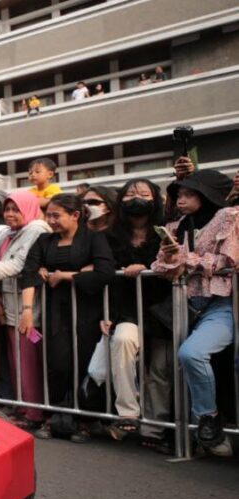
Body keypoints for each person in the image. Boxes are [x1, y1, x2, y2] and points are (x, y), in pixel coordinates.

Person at [151, 169, 236, 454]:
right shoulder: (176, 227)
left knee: (192, 353)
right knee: (181, 366)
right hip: (186, 306)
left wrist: (186, 259)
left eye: (188, 194)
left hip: (221, 304)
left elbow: (228, 261)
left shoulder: (229, 217)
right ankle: (203, 429)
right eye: (178, 195)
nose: (181, 201)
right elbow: (160, 268)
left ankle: (207, 418)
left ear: (206, 194)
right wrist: (172, 258)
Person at [19, 194, 115, 442]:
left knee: (83, 363)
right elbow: (29, 272)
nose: (51, 221)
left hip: (87, 311)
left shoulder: (94, 238)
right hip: (55, 312)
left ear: (75, 216)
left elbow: (105, 272)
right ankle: (56, 418)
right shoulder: (44, 240)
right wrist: (27, 310)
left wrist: (66, 276)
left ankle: (85, 421)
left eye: (56, 215)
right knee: (58, 364)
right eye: (48, 215)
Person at [88, 179, 169, 444]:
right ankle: (128, 414)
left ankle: (155, 430)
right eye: (130, 193)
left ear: (155, 199)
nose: (137, 197)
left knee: (160, 370)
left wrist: (144, 266)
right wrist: (108, 313)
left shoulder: (166, 231)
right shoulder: (110, 237)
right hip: (127, 311)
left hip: (164, 313)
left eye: (144, 193)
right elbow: (108, 277)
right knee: (121, 340)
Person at [0, 190, 50, 428]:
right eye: (8, 209)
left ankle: (34, 412)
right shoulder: (12, 232)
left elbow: (19, 264)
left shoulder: (36, 229)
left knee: (28, 360)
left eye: (16, 209)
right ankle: (24, 407)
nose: (10, 214)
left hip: (28, 307)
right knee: (17, 360)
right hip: (10, 306)